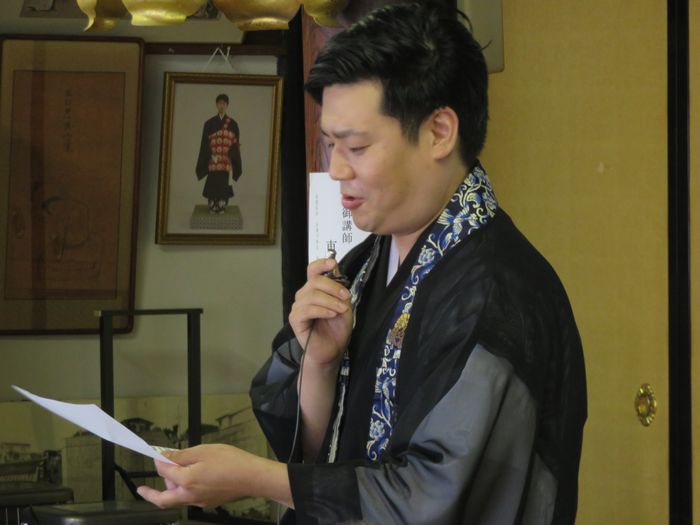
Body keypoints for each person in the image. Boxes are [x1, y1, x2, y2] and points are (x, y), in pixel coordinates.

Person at [138, 2, 587, 524]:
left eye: (356, 146)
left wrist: (253, 478)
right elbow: (320, 450)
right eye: (330, 144)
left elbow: (431, 496)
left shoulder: (497, 294)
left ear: (439, 131)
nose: (336, 169)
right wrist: (320, 365)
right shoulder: (364, 263)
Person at [195, 93, 242, 214]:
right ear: (216, 105)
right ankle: (212, 204)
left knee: (223, 181)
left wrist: (230, 156)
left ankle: (222, 204)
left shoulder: (233, 124)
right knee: (213, 180)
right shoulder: (209, 123)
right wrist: (211, 155)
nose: (221, 106)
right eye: (219, 103)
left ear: (227, 105)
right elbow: (205, 143)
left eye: (224, 103)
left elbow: (235, 144)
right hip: (213, 158)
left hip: (226, 159)